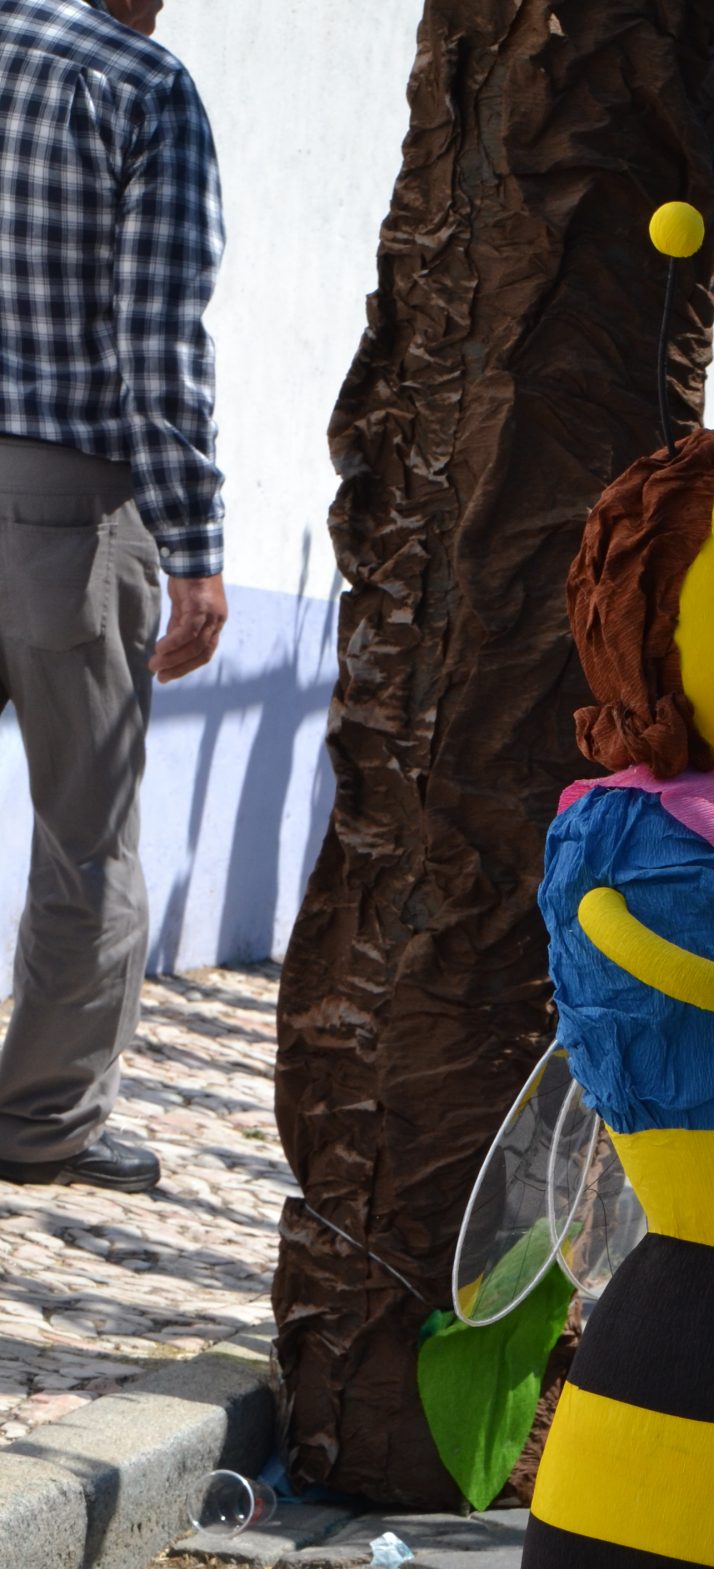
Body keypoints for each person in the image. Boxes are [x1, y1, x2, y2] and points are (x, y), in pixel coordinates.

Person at [0, 0, 226, 1195]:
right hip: (67, 506)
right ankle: (42, 1122)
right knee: (85, 839)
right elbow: (159, 337)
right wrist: (195, 542)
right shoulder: (138, 83)